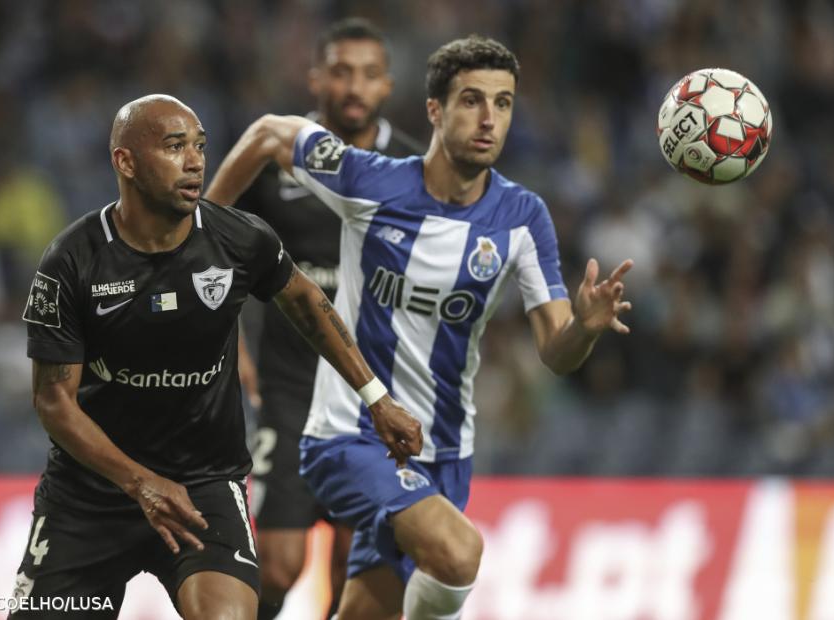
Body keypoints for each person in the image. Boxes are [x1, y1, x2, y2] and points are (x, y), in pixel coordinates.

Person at [205, 36, 634, 620]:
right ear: (435, 110)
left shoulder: (523, 217)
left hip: (445, 451)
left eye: (503, 104)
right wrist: (199, 245)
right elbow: (268, 134)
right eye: (472, 101)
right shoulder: (370, 181)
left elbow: (557, 353)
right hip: (351, 434)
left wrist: (584, 327)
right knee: (459, 555)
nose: (489, 120)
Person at [12, 94, 422, 620]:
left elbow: (305, 300)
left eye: (200, 146)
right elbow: (53, 403)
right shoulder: (71, 261)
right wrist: (140, 483)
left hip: (202, 486)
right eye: (174, 146)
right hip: (91, 495)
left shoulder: (238, 238)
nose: (195, 161)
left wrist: (376, 397)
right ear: (125, 162)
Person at [233, 18, 423, 620]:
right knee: (281, 562)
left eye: (368, 74)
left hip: (371, 395)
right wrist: (233, 343)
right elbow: (218, 249)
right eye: (341, 71)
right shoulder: (273, 157)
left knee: (354, 565)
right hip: (288, 388)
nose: (353, 86)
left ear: (387, 85)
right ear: (316, 78)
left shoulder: (412, 166)